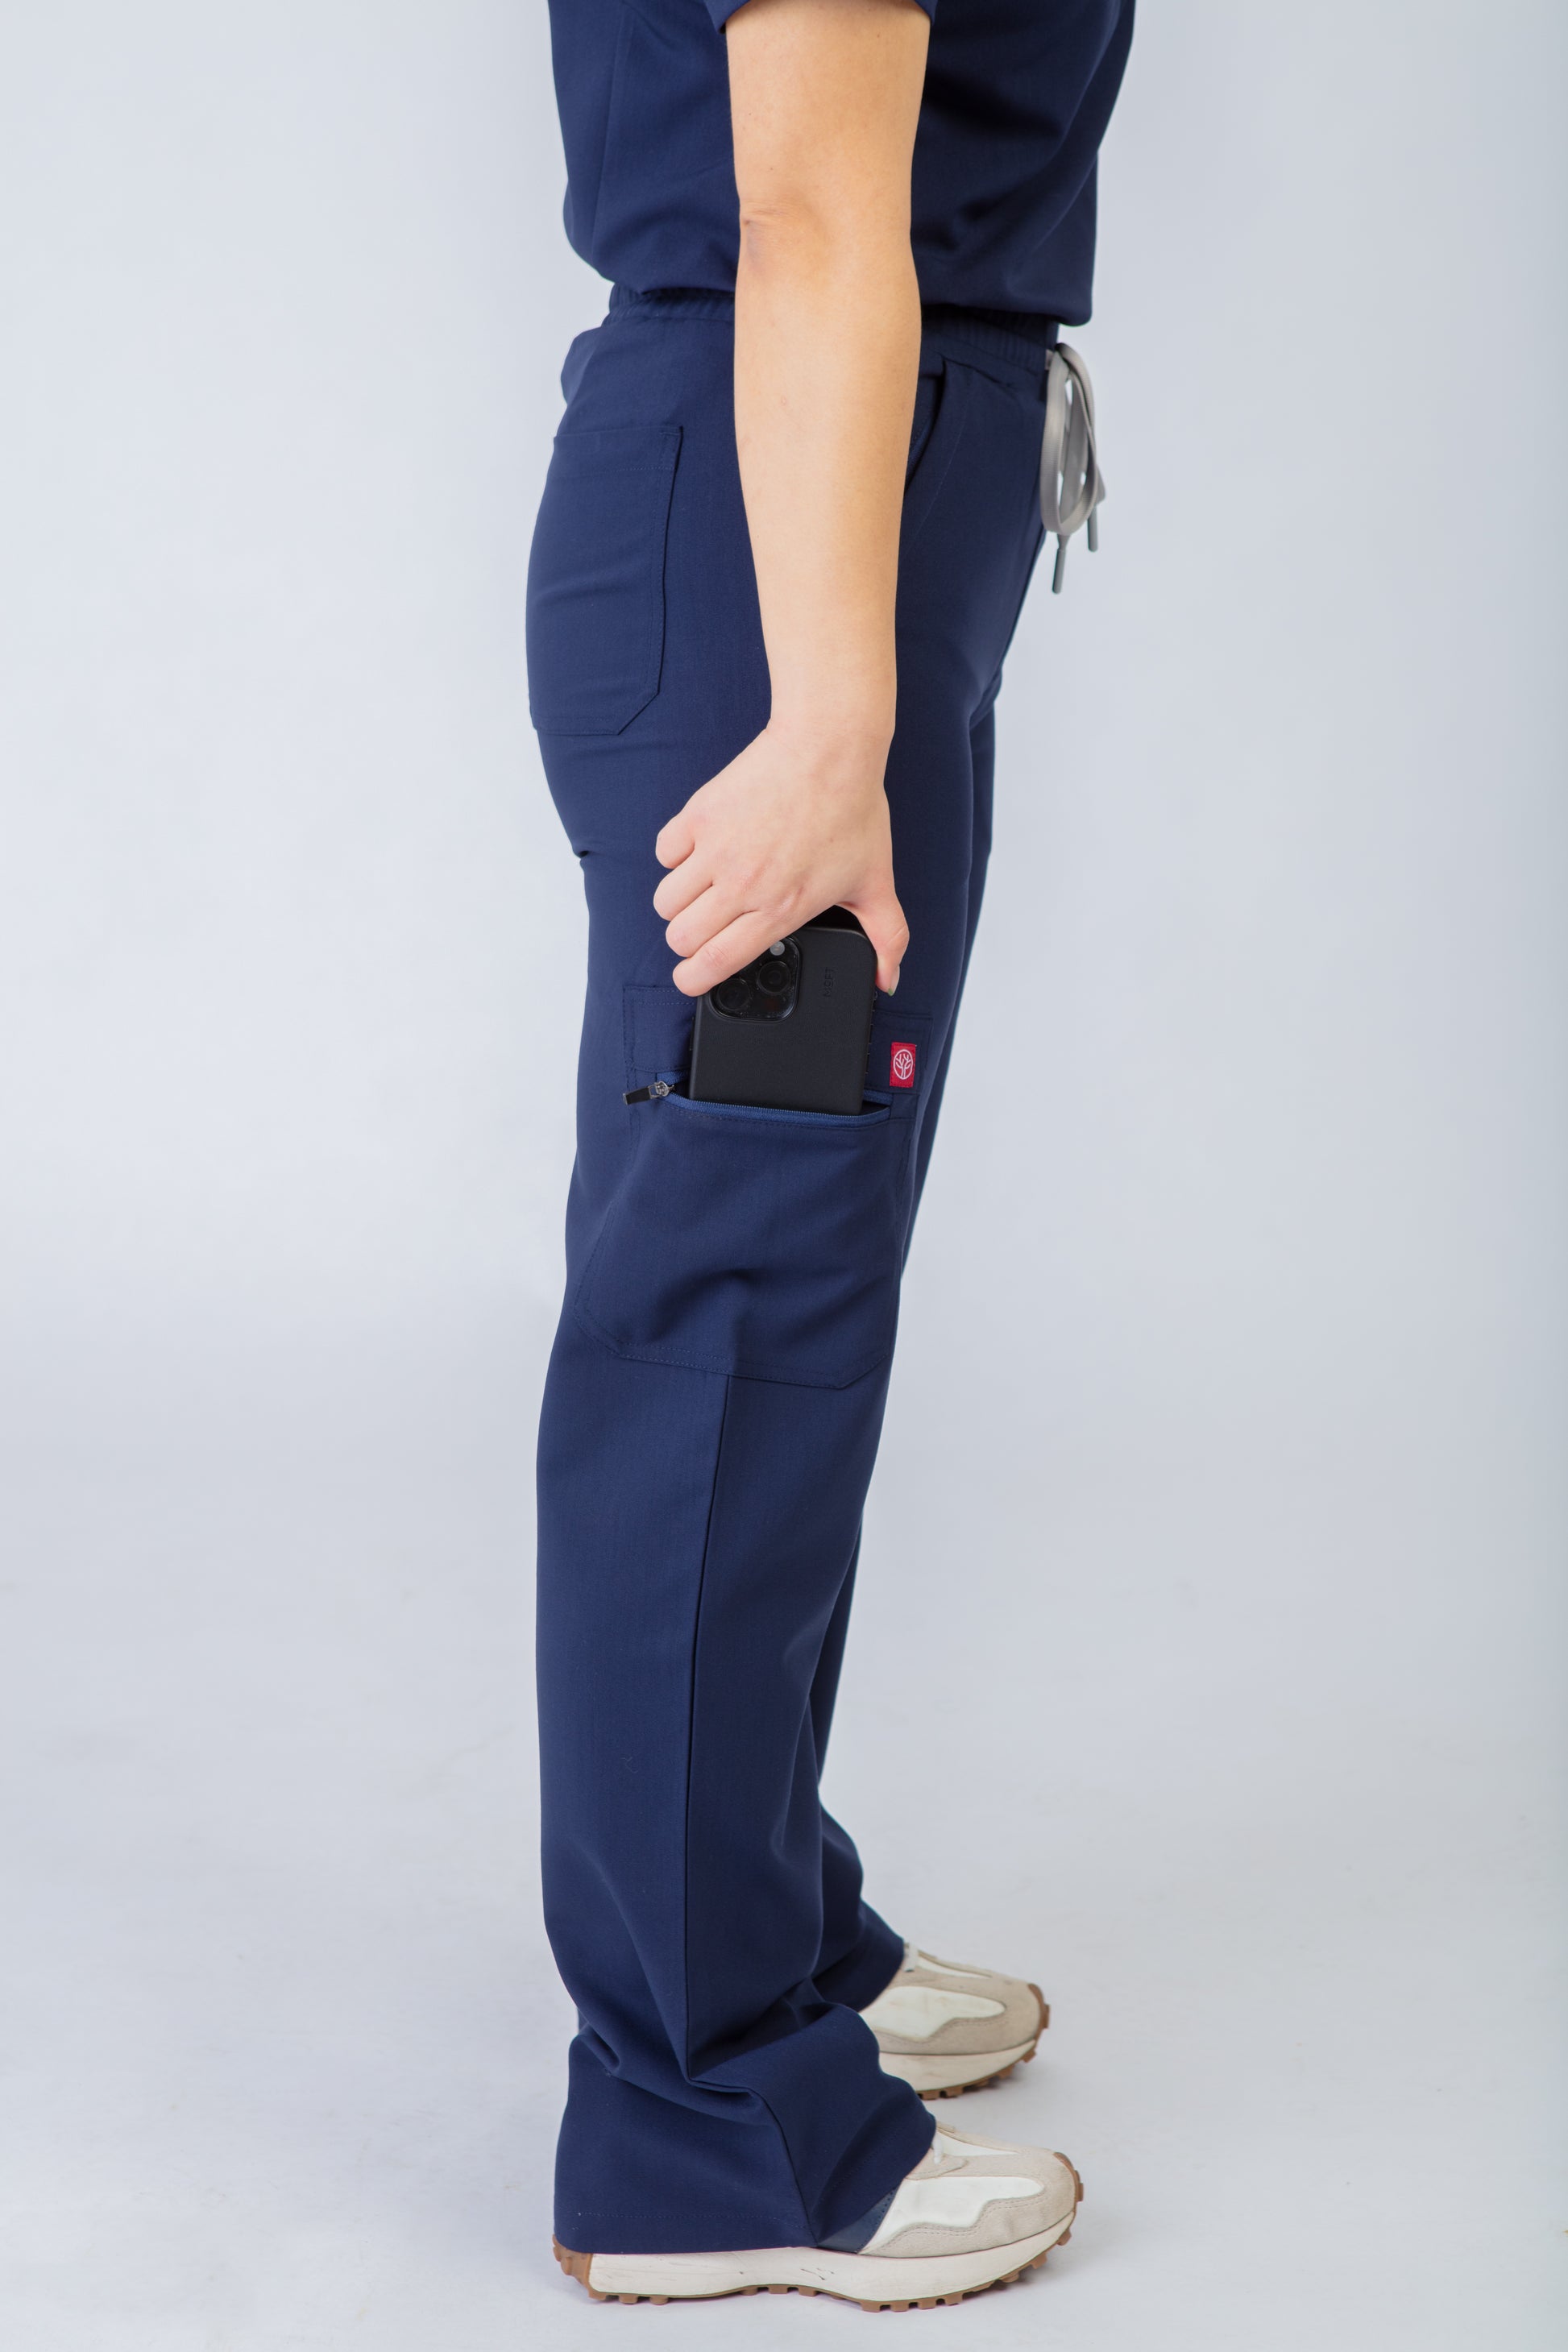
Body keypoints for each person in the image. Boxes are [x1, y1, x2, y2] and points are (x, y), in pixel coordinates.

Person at [527, 0, 1132, 2311]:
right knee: (730, 1317)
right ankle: (698, 2116)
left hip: (832, 521)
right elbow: (800, 206)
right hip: (784, 578)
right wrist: (828, 718)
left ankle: (762, 1931)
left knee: (789, 1312)